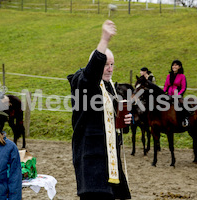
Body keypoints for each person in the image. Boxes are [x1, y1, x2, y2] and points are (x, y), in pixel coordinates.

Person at [67, 20, 132, 200]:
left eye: (112, 64)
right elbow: (89, 77)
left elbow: (110, 122)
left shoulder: (110, 87)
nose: (109, 69)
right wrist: (104, 40)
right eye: (105, 64)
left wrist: (124, 123)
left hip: (110, 162)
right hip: (92, 160)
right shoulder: (81, 82)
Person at [163, 60, 189, 127]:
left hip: (177, 95)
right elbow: (166, 86)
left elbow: (183, 87)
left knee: (182, 103)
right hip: (169, 94)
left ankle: (184, 119)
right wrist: (162, 93)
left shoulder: (182, 76)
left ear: (179, 67)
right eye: (173, 65)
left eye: (176, 65)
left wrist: (178, 95)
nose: (174, 66)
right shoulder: (168, 76)